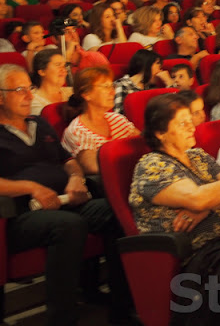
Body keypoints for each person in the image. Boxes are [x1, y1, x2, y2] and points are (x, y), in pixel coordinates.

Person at [0, 64, 134, 326]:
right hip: (22, 213)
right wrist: (32, 187)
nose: (29, 96)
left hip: (65, 201)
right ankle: (62, 318)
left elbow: (68, 160)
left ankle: (123, 307)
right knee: (68, 225)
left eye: (29, 89)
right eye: (19, 90)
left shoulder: (40, 123)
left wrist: (76, 178)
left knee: (116, 211)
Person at [129, 94, 220, 326]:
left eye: (190, 120)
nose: (191, 127)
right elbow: (197, 198)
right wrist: (218, 193)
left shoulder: (197, 156)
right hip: (197, 252)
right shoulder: (152, 165)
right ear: (160, 133)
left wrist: (210, 203)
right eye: (182, 123)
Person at [62, 67, 139, 174]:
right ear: (86, 94)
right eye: (106, 87)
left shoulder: (118, 119)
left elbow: (144, 145)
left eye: (112, 86)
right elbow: (95, 167)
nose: (112, 92)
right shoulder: (77, 131)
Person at [113, 49, 173, 114]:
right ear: (146, 65)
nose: (161, 71)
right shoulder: (121, 85)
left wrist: (169, 82)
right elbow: (117, 115)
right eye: (158, 65)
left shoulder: (151, 88)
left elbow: (173, 108)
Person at [30, 48, 72, 115]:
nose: (63, 70)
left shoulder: (71, 92)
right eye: (58, 65)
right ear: (42, 71)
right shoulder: (32, 100)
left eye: (64, 66)